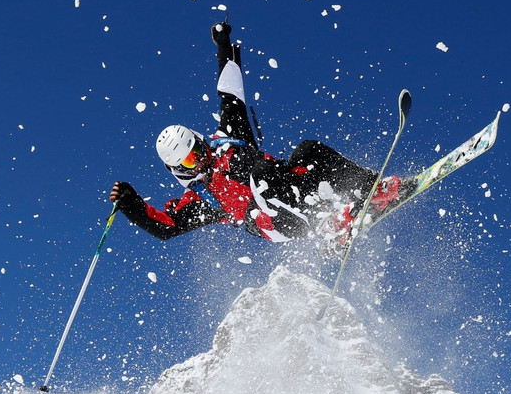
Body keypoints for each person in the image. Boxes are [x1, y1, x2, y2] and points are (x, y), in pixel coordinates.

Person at [110, 21, 408, 246]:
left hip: (291, 185)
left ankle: (371, 189)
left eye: (197, 151)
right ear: (178, 171)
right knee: (260, 174)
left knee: (308, 151)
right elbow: (166, 226)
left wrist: (223, 44)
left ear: (201, 141)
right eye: (189, 163)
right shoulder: (202, 198)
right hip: (273, 219)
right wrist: (131, 204)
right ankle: (328, 227)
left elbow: (230, 93)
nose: (199, 162)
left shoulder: (228, 139)